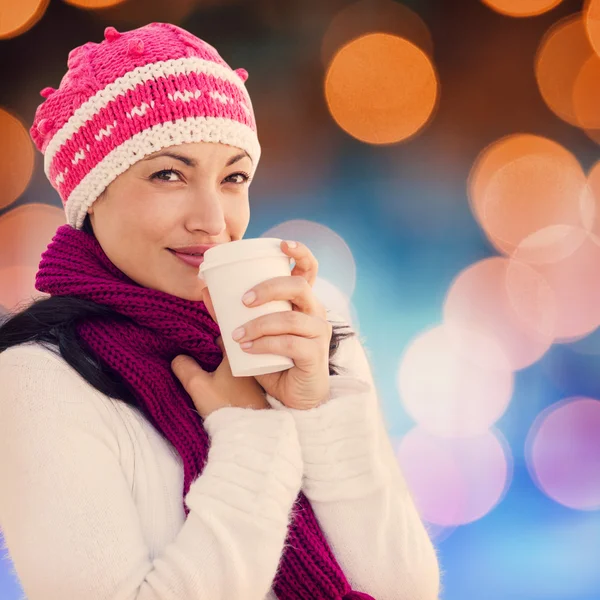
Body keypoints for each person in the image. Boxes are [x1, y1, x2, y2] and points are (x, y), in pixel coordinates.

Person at [0, 22, 440, 600]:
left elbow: (403, 590)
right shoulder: (40, 379)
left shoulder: (301, 336)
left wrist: (315, 407)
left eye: (234, 177)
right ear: (92, 192)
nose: (212, 221)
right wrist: (249, 435)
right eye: (168, 175)